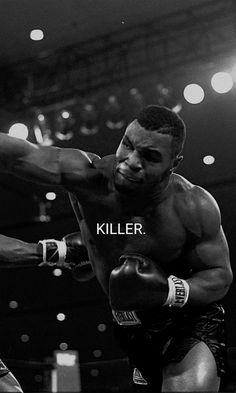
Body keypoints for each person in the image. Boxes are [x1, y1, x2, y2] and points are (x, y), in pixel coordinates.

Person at [0, 105, 233, 391]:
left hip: (188, 324)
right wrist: (53, 251)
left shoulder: (192, 205)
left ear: (174, 164)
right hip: (130, 329)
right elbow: (19, 156)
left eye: (149, 157)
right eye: (128, 145)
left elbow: (220, 275)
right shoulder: (88, 177)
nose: (131, 161)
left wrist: (169, 290)